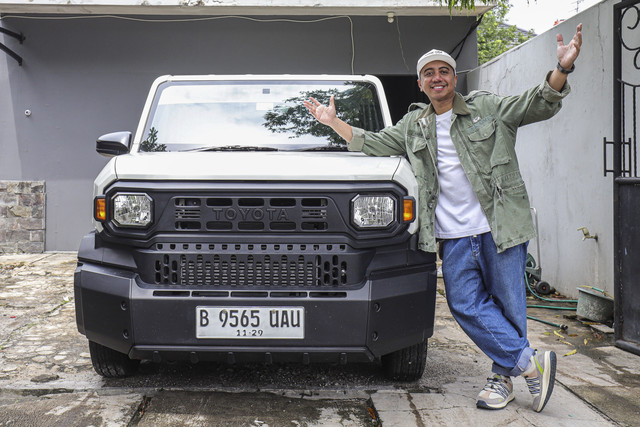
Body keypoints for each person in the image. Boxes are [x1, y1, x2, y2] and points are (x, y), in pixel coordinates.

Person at [304, 24, 583, 412]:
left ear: (455, 78)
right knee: (464, 303)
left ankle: (503, 380)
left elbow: (535, 102)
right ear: (420, 84)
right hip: (452, 236)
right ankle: (528, 363)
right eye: (429, 73)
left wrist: (562, 68)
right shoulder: (414, 125)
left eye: (444, 71)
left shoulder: (487, 107)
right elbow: (372, 143)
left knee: (508, 307)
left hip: (497, 226)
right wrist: (332, 122)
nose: (437, 78)